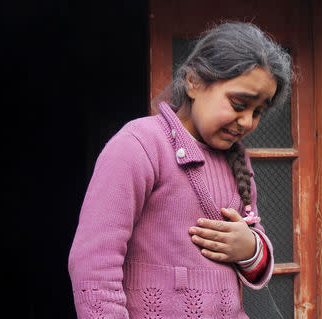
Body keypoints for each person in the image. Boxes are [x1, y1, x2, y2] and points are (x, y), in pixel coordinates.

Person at [68, 21, 291, 318]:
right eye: (239, 104)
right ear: (194, 82)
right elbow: (94, 262)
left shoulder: (238, 163)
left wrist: (249, 247)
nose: (248, 121)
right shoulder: (140, 146)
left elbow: (257, 253)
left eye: (258, 112)